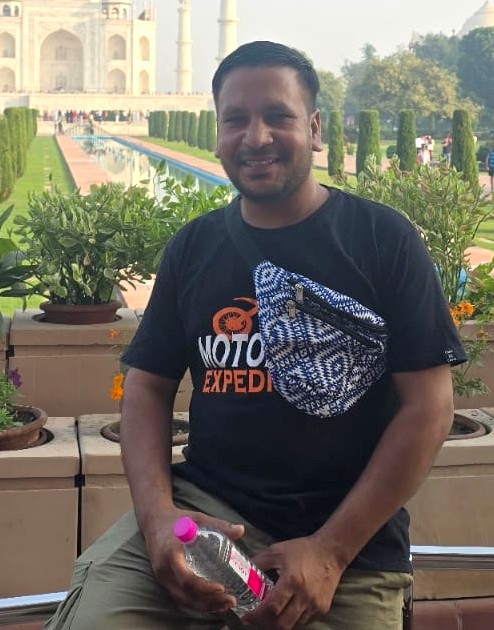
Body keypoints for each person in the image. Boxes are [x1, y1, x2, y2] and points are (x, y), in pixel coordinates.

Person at [45, 41, 465, 630]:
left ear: (315, 127)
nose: (256, 137)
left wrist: (330, 552)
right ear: (217, 133)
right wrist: (160, 519)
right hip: (204, 515)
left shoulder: (382, 240)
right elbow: (145, 389)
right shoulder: (194, 247)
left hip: (349, 540)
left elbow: (430, 408)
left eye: (278, 116)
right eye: (236, 120)